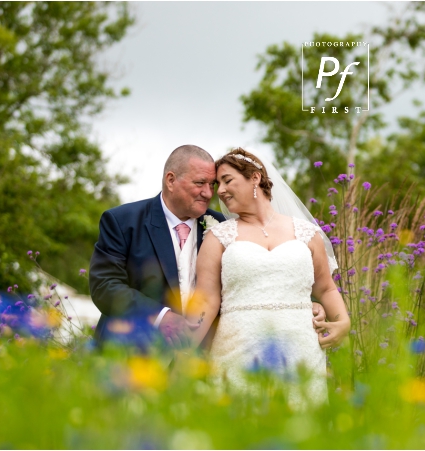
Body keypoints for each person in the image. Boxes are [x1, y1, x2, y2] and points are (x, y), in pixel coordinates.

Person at [89, 145, 326, 348]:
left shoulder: (224, 228)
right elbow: (104, 286)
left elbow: (257, 278)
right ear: (171, 180)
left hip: (201, 358)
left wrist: (305, 304)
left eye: (211, 184)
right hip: (131, 351)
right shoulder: (123, 221)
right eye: (200, 183)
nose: (209, 193)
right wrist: (162, 317)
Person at [186, 148, 350, 408]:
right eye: (219, 184)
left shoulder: (307, 233)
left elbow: (326, 288)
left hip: (301, 351)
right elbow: (205, 301)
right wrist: (183, 354)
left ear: (255, 177)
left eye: (228, 180)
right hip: (237, 350)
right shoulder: (218, 237)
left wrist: (343, 321)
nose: (220, 191)